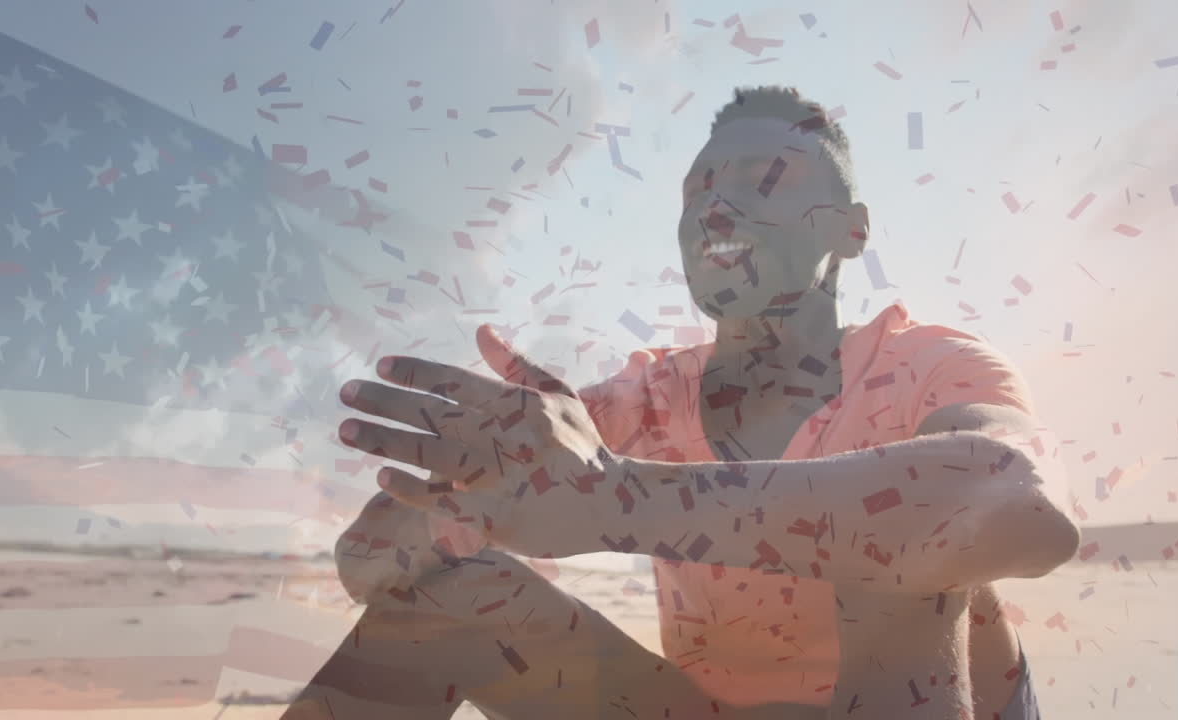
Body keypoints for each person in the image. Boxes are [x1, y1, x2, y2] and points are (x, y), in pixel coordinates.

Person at [281, 86, 1078, 720]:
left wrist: (611, 499)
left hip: (943, 701)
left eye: (768, 176)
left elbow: (1021, 505)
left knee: (894, 551)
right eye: (698, 187)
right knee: (453, 599)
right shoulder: (645, 398)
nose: (715, 204)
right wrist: (463, 491)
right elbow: (370, 564)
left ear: (853, 230)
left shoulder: (926, 363)